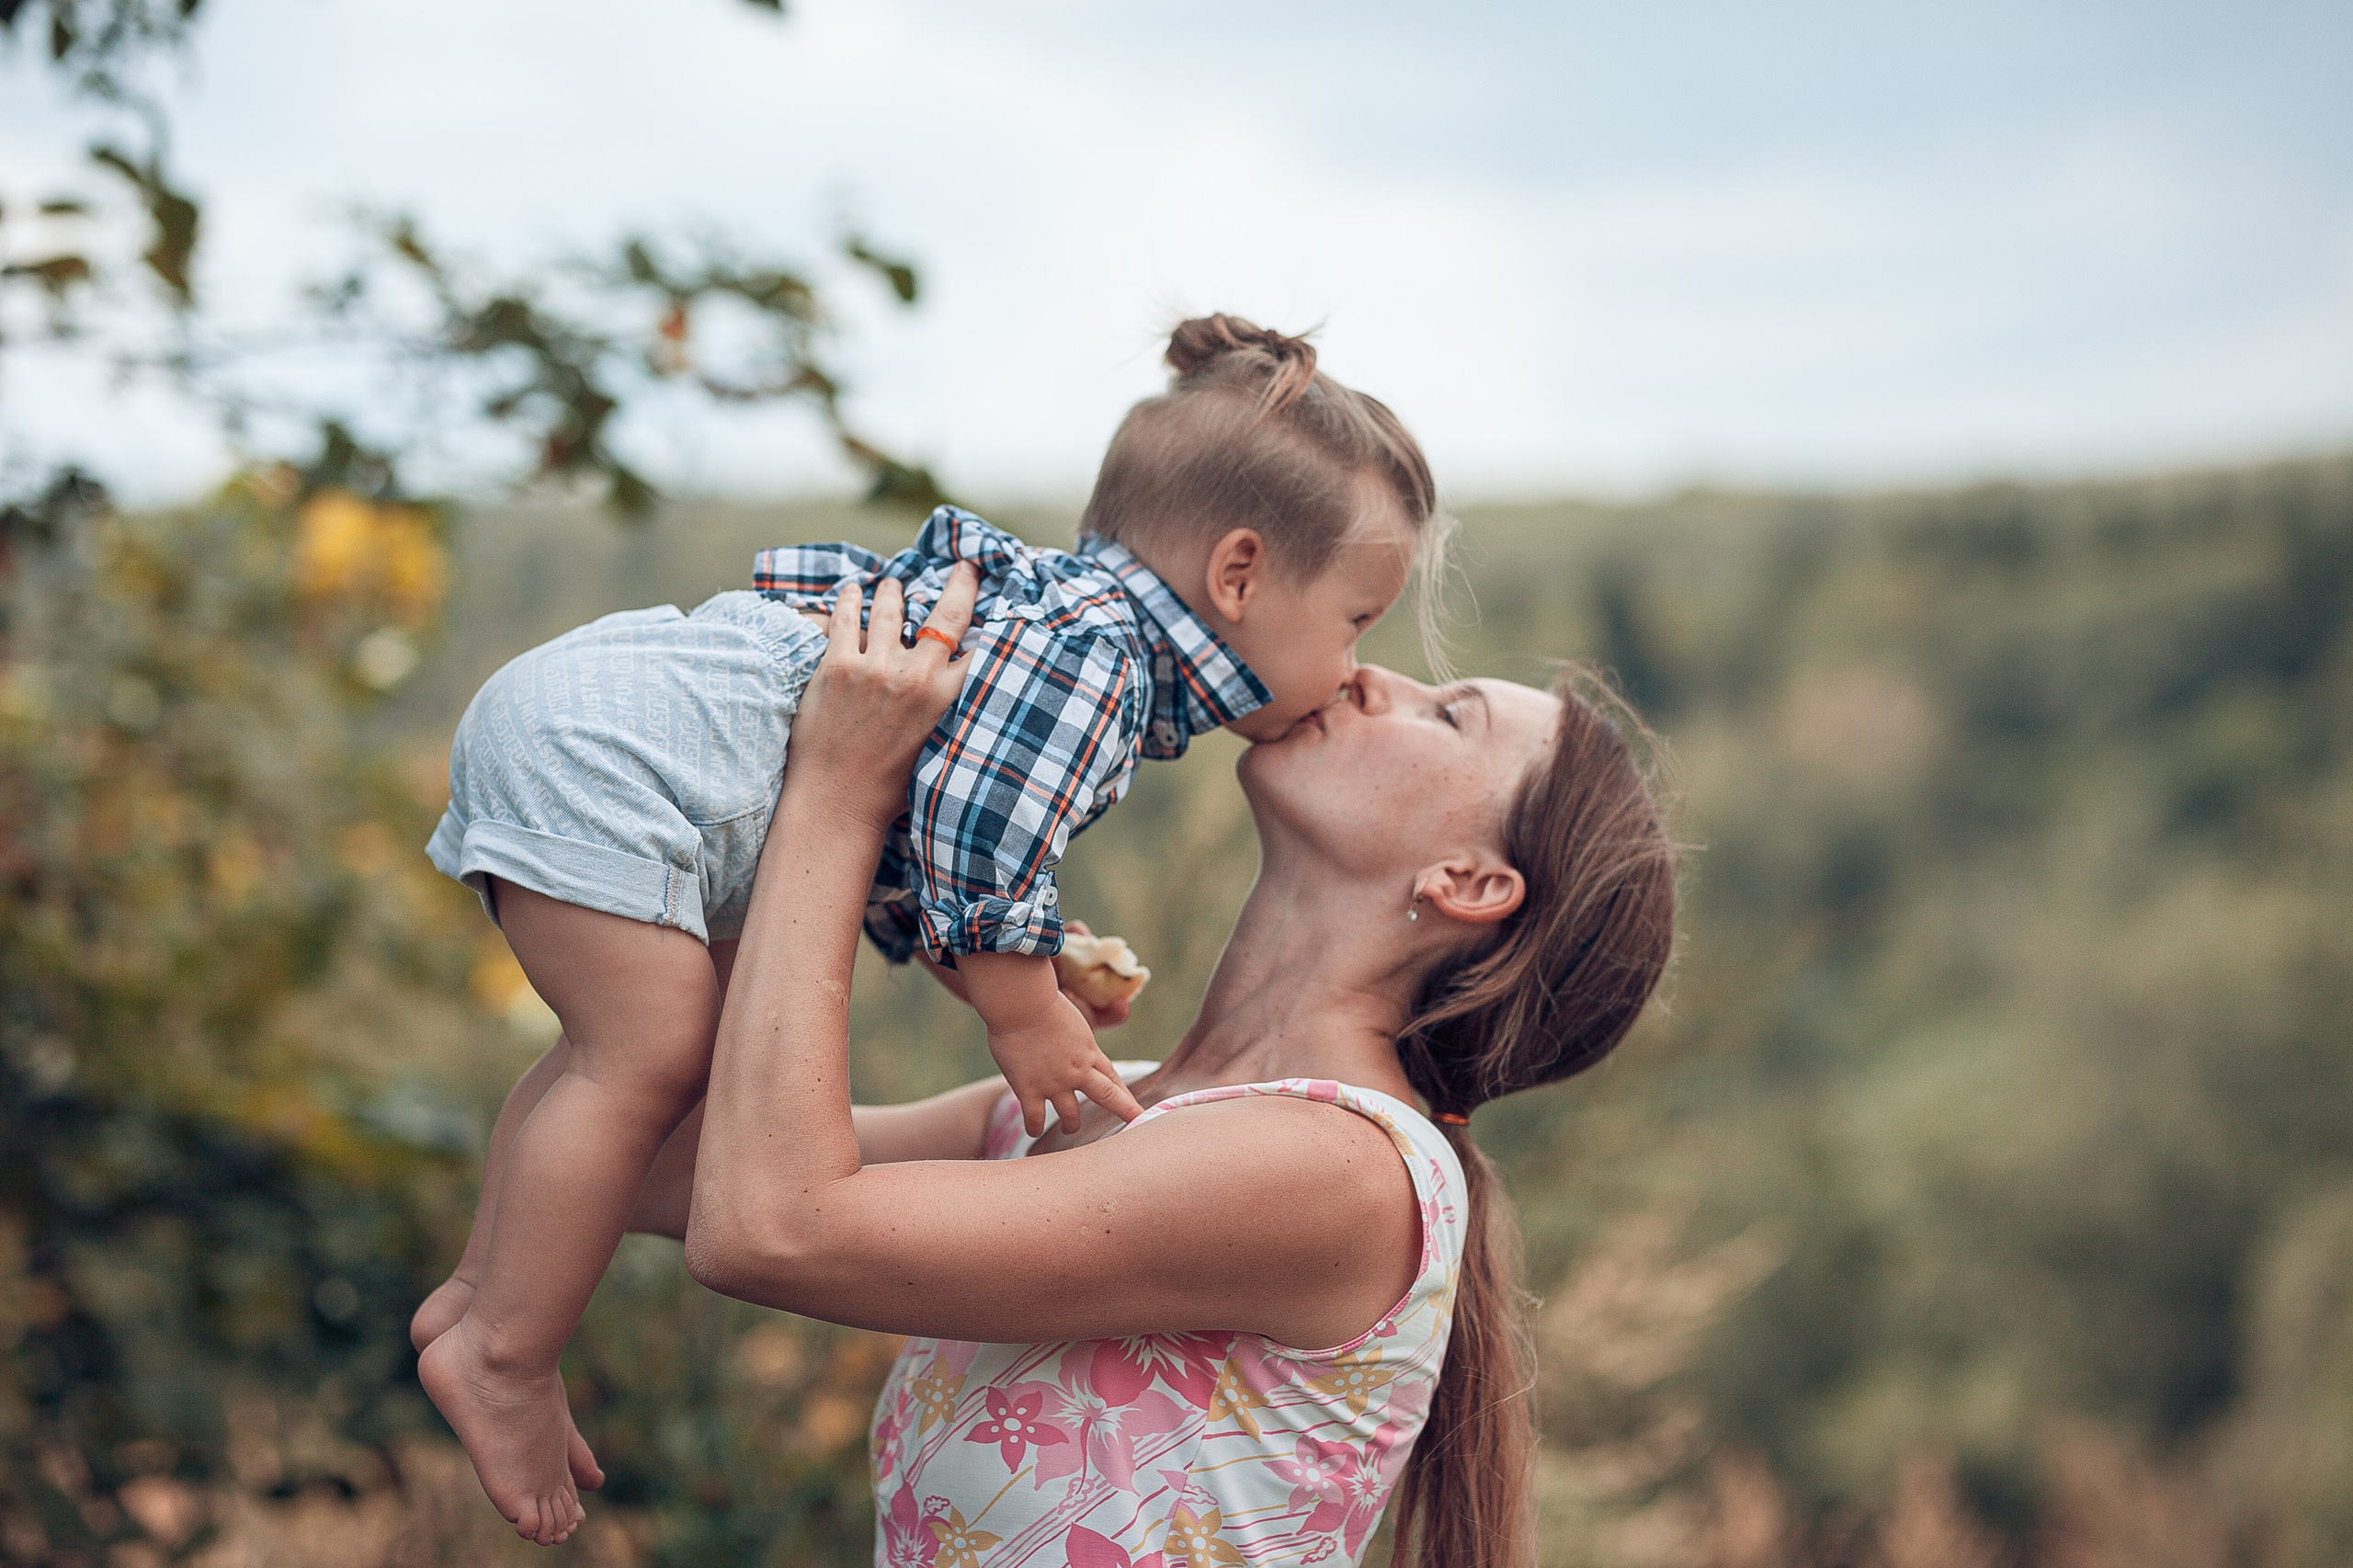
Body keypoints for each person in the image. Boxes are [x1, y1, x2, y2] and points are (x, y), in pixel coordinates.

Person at [411, 315, 1450, 1543]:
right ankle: (505, 1349)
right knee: (639, 1055)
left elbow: (928, 835)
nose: (1354, 670)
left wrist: (1015, 957)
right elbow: (974, 820)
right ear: (1238, 576)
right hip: (639, 767)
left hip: (629, 739)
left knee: (634, 1059)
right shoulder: (1097, 664)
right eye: (1358, 623)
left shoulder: (1064, 627)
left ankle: (483, 1294)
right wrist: (1025, 1010)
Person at [631, 568, 1678, 1567]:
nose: (1369, 674)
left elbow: (766, 1226)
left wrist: (840, 796)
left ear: (1468, 881)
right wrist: (765, 805)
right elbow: (666, 1165)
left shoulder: (1338, 1173)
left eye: (1447, 715)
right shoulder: (1103, 1098)